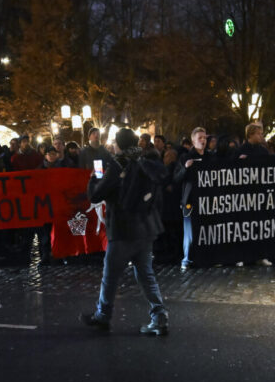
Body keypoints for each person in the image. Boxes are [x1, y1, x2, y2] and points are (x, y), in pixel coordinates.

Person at [81, 127, 170, 335]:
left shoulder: (118, 164)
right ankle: (159, 315)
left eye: (115, 142)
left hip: (123, 229)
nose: (113, 145)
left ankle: (103, 315)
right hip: (145, 228)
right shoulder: (143, 160)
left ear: (120, 144)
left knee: (110, 275)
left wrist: (94, 179)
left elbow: (96, 195)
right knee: (146, 274)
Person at [175, 127, 216, 271]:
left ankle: (206, 257)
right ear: (193, 141)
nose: (203, 140)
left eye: (205, 138)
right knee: (190, 232)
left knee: (208, 230)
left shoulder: (211, 157)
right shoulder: (185, 157)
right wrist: (185, 168)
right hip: (191, 200)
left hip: (208, 200)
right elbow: (176, 178)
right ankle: (187, 259)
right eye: (200, 138)